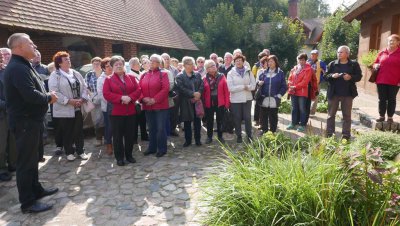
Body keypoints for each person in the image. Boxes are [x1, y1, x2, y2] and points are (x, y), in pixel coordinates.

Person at [3, 33, 59, 213]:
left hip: (32, 121)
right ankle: (27, 202)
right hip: (25, 122)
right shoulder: (17, 68)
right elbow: (30, 95)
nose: (34, 45)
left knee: (33, 159)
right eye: (30, 43)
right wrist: (49, 97)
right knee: (25, 163)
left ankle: (36, 189)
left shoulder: (24, 64)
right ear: (19, 47)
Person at [49, 51, 89, 161]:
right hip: (64, 109)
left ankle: (80, 151)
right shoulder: (55, 75)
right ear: (59, 63)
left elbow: (85, 86)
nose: (69, 60)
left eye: (69, 58)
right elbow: (54, 92)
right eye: (66, 59)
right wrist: (68, 101)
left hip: (78, 107)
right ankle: (69, 152)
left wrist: (82, 99)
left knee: (79, 131)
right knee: (67, 131)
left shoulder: (75, 73)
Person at [103, 56, 141, 166]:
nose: (119, 66)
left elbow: (138, 90)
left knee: (130, 135)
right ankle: (119, 157)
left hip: (131, 111)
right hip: (116, 113)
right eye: (116, 64)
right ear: (112, 67)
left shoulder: (132, 77)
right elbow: (106, 94)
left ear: (124, 65)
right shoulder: (108, 79)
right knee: (118, 136)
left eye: (120, 64)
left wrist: (130, 97)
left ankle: (129, 155)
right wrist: (121, 98)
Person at [324, 45, 362, 140]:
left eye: (341, 52)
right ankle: (330, 134)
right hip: (334, 93)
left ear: (347, 54)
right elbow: (325, 76)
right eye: (338, 52)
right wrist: (332, 75)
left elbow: (359, 76)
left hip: (348, 94)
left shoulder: (354, 64)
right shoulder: (332, 64)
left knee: (347, 116)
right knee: (331, 115)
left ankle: (345, 136)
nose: (339, 54)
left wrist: (351, 77)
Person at [139, 54, 170, 157]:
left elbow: (165, 89)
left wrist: (154, 99)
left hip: (160, 106)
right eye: (150, 60)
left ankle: (162, 148)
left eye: (154, 61)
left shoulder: (164, 74)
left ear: (159, 63)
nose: (151, 62)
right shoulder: (143, 75)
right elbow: (139, 89)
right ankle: (152, 148)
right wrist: (143, 98)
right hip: (147, 106)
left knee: (161, 128)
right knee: (151, 128)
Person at [227, 54, 256, 143]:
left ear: (243, 61)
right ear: (234, 62)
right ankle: (239, 135)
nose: (238, 62)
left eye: (240, 60)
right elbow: (230, 88)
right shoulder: (230, 73)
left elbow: (254, 86)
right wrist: (243, 87)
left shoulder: (248, 71)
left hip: (247, 99)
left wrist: (248, 87)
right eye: (236, 61)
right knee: (237, 118)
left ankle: (249, 135)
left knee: (247, 118)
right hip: (236, 100)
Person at [176, 56, 204, 147]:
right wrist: (193, 94)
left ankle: (198, 140)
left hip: (197, 101)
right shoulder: (180, 76)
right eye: (190, 64)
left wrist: (199, 93)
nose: (193, 66)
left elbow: (201, 85)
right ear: (184, 65)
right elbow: (181, 88)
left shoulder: (197, 74)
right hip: (186, 102)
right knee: (187, 122)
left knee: (197, 121)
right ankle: (188, 140)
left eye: (193, 64)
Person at [256, 55, 287, 134]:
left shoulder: (280, 73)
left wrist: (279, 95)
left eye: (271, 61)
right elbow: (257, 82)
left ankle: (273, 131)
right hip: (264, 98)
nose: (269, 63)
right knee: (263, 115)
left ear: (276, 62)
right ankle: (264, 130)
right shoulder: (263, 73)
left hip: (274, 98)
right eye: (268, 61)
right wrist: (259, 83)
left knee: (273, 115)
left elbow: (284, 86)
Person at [373, 34, 400, 123]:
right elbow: (375, 63)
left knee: (392, 99)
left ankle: (390, 117)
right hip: (381, 80)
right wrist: (375, 65)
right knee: (382, 99)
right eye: (389, 40)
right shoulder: (382, 52)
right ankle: (381, 116)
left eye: (393, 40)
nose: (391, 42)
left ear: (398, 42)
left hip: (394, 81)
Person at [202, 59, 230, 144]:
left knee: (220, 120)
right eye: (210, 66)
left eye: (214, 65)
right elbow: (202, 92)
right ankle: (209, 137)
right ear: (207, 69)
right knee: (209, 121)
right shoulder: (204, 78)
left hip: (220, 101)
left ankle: (220, 136)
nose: (213, 67)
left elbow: (226, 90)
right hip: (209, 102)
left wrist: (227, 103)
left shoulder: (222, 76)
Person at [287, 53, 313, 132]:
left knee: (302, 108)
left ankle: (302, 125)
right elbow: (290, 78)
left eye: (302, 60)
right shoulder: (295, 68)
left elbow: (305, 82)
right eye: (299, 60)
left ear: (305, 60)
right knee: (294, 108)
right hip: (293, 91)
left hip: (302, 92)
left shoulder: (309, 69)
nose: (301, 62)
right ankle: (293, 123)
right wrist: (290, 84)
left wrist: (295, 86)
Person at [0, 47, 15, 181]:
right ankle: (1, 169)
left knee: (12, 140)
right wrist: (5, 105)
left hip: (11, 112)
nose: (2, 57)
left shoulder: (6, 71)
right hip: (1, 113)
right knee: (1, 143)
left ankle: (12, 164)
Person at [85, 57, 104, 146]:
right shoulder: (89, 74)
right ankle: (98, 138)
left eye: (98, 63)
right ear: (92, 64)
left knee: (105, 118)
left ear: (101, 64)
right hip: (94, 99)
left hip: (104, 99)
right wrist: (92, 95)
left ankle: (107, 138)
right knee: (96, 120)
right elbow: (86, 87)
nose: (96, 65)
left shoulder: (104, 73)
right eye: (94, 63)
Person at [129, 57, 149, 142]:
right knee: (134, 121)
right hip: (135, 101)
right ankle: (134, 138)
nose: (140, 65)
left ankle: (144, 135)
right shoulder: (129, 75)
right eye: (138, 63)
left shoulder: (141, 73)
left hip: (143, 100)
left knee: (143, 119)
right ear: (133, 65)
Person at [97, 57, 113, 155]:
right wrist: (114, 100)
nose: (110, 68)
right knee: (109, 127)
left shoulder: (116, 76)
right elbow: (101, 94)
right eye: (107, 66)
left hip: (119, 106)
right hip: (107, 106)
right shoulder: (101, 79)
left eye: (111, 65)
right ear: (103, 68)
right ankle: (109, 144)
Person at [161, 53, 179, 136]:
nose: (166, 60)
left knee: (174, 113)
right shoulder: (158, 70)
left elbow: (177, 82)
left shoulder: (174, 70)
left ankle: (172, 129)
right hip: (162, 96)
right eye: (164, 59)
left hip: (174, 95)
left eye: (168, 59)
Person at [307, 49, 327, 117]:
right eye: (312, 54)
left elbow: (325, 72)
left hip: (317, 83)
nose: (313, 55)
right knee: (307, 97)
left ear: (317, 55)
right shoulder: (307, 62)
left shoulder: (321, 63)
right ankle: (306, 111)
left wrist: (322, 79)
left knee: (315, 97)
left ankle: (312, 113)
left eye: (315, 54)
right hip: (308, 83)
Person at [252, 51, 269, 127]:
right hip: (260, 90)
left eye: (264, 62)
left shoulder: (272, 70)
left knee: (266, 108)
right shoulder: (258, 69)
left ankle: (263, 123)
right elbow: (255, 79)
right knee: (258, 106)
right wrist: (259, 82)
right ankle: (257, 120)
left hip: (268, 92)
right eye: (262, 62)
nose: (262, 64)